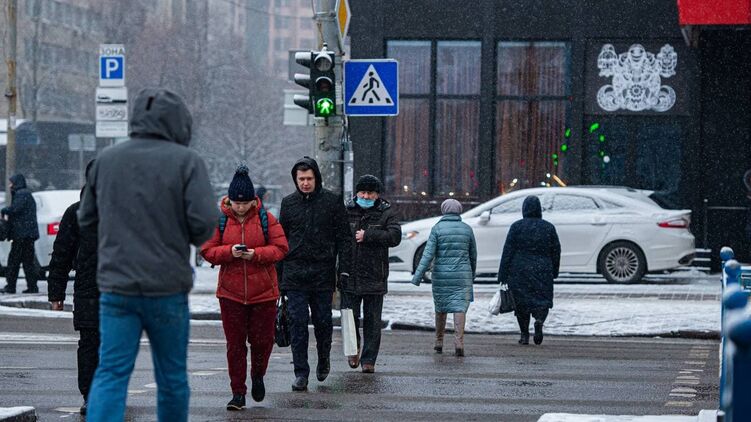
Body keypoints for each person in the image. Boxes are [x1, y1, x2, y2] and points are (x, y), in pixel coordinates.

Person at [78, 88, 216, 422]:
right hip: (167, 288)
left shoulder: (106, 160)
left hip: (117, 288)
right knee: (171, 377)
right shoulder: (187, 162)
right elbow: (204, 225)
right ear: (180, 123)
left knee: (111, 373)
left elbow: (86, 219)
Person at [200, 165, 288, 410]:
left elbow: (281, 248)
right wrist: (229, 252)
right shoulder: (219, 220)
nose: (240, 207)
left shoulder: (266, 219)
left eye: (245, 203)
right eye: (237, 203)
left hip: (264, 292)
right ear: (229, 200)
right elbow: (207, 250)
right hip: (231, 293)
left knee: (263, 342)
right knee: (235, 345)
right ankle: (237, 392)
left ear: (253, 201)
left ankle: (258, 375)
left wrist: (256, 254)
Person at [278, 156, 352, 392]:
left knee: (322, 321)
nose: (305, 183)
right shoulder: (288, 203)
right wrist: (279, 278)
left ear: (316, 178)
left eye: (309, 178)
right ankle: (301, 372)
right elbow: (281, 241)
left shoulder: (331, 202)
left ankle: (323, 358)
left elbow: (345, 238)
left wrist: (344, 270)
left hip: (322, 272)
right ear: (295, 179)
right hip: (294, 273)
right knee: (297, 323)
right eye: (301, 179)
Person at [47, 160, 99, 415]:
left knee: (112, 346)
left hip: (118, 291)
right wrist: (56, 293)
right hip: (91, 290)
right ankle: (91, 395)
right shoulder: (77, 213)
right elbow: (62, 254)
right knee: (91, 344)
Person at [342, 175, 401, 373]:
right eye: (363, 193)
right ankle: (353, 350)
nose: (366, 196)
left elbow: (395, 236)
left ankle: (369, 360)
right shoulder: (347, 210)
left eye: (370, 193)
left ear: (377, 195)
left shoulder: (386, 212)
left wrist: (368, 235)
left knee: (373, 321)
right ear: (357, 193)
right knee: (349, 318)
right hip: (349, 273)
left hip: (375, 274)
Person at [411, 199, 476, 357]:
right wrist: (471, 275)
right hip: (462, 275)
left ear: (443, 210)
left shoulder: (437, 229)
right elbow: (473, 255)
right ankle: (459, 343)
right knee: (460, 307)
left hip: (441, 275)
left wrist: (417, 276)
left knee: (441, 307)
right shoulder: (467, 229)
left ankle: (439, 341)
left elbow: (427, 255)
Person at [497, 195, 561, 346]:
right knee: (542, 301)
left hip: (520, 270)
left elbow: (508, 251)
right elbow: (556, 251)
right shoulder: (548, 227)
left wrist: (502, 274)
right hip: (542, 269)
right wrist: (554, 270)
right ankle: (539, 320)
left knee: (521, 304)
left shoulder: (516, 227)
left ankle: (524, 334)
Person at [0, 173, 40, 294]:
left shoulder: (22, 194)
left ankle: (11, 286)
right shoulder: (25, 194)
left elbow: (15, 209)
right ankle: (32, 286)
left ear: (16, 183)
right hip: (27, 235)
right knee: (28, 262)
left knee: (14, 261)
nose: (9, 185)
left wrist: (4, 210)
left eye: (11, 183)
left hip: (22, 235)